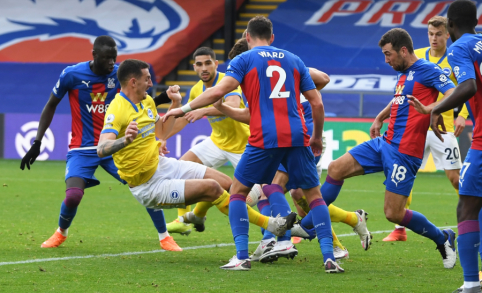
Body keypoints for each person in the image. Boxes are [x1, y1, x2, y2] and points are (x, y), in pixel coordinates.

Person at [163, 16, 343, 273]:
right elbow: (317, 102)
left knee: (237, 192)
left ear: (247, 37)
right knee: (314, 197)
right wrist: (316, 136)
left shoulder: (244, 59)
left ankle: (242, 256)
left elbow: (216, 91)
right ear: (272, 37)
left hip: (265, 137)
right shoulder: (294, 59)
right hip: (297, 135)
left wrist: (183, 108)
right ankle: (329, 258)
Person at [97, 58, 294, 256]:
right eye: (147, 79)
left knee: (227, 183)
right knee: (212, 188)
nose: (151, 83)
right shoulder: (117, 108)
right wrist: (125, 141)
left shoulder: (147, 101)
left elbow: (162, 132)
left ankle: (203, 215)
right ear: (133, 82)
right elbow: (102, 148)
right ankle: (270, 225)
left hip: (162, 165)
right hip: (147, 185)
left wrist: (175, 103)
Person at [302, 28, 457, 269]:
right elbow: (399, 98)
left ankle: (443, 237)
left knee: (394, 213)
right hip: (385, 142)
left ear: (403, 50)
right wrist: (380, 116)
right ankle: (306, 226)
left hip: (405, 153)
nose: (386, 60)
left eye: (388, 54)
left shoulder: (428, 69)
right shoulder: (404, 72)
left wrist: (431, 110)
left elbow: (454, 92)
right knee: (335, 168)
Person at [19, 36, 181, 251]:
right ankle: (61, 232)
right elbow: (51, 105)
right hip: (83, 148)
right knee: (74, 195)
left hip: (117, 146)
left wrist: (165, 97)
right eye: (106, 58)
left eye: (114, 58)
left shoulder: (120, 75)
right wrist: (38, 141)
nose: (111, 63)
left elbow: (142, 100)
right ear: (94, 55)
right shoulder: (72, 74)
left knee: (144, 184)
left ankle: (164, 237)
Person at [221, 38, 371, 262]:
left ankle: (278, 240)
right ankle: (350, 224)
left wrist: (297, 73)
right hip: (292, 135)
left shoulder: (280, 71)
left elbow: (323, 79)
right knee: (301, 201)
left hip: (299, 136)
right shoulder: (268, 81)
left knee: (273, 188)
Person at [384, 15, 470, 242]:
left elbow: (465, 89)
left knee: (454, 178)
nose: (434, 38)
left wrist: (462, 115)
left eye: (438, 34)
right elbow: (401, 93)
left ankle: (473, 216)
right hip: (413, 129)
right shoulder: (416, 56)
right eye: (430, 34)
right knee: (401, 174)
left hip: (443, 129)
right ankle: (400, 229)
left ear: (447, 35)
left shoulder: (456, 56)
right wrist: (382, 116)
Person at [163, 46, 261, 236]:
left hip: (244, 145)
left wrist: (204, 110)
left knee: (250, 197)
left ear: (216, 64)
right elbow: (183, 118)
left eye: (208, 63)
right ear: (194, 68)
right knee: (181, 168)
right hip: (217, 142)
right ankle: (183, 220)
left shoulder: (229, 81)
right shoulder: (196, 90)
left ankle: (199, 214)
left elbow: (232, 105)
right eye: (199, 64)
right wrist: (163, 138)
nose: (204, 68)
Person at [429, 1, 482, 292]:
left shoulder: (460, 47)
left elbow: (469, 86)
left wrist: (437, 108)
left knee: (467, 206)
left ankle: (472, 283)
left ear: (450, 26)